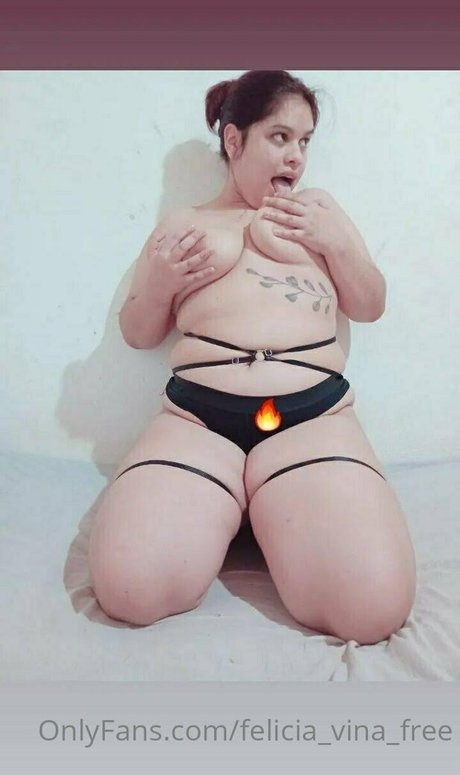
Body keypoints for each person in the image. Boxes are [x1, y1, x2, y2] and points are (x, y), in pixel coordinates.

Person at [88, 70, 416, 644]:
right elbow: (138, 334)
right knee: (129, 588)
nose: (296, 157)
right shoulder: (185, 224)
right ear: (234, 140)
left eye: (305, 141)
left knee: (372, 608)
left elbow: (371, 304)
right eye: (279, 137)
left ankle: (272, 509)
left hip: (312, 421)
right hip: (197, 423)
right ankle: (234, 505)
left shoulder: (319, 213)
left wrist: (335, 241)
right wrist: (160, 285)